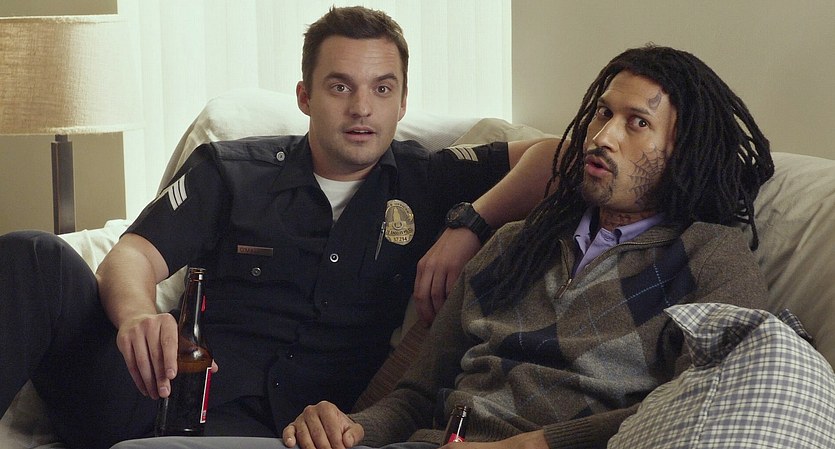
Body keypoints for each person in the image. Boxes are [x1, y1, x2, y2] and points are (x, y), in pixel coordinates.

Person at [109, 44, 777, 449]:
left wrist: (535, 444)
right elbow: (416, 394)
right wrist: (351, 427)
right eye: (602, 113)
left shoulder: (707, 254)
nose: (602, 137)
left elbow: (707, 397)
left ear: (683, 149)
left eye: (637, 123)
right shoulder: (517, 245)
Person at [0, 6, 557, 449]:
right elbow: (133, 255)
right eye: (340, 86)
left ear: (403, 101)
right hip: (150, 393)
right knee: (33, 256)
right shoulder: (232, 170)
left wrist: (470, 224)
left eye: (382, 88)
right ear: (305, 97)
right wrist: (138, 316)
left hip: (287, 433)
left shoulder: (428, 179)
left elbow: (558, 154)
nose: (362, 108)